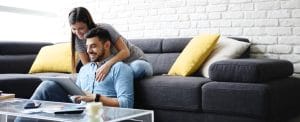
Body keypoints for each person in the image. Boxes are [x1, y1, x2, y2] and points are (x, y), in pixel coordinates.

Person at [29, 27, 134, 108]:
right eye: (87, 47)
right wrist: (73, 98)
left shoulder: (120, 68)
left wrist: (96, 98)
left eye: (93, 46)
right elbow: (76, 96)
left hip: (101, 115)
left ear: (106, 45)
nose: (88, 51)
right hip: (78, 111)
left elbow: (127, 104)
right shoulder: (85, 69)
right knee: (47, 85)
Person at [69, 7, 153, 80]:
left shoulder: (105, 29)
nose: (77, 32)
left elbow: (125, 52)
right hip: (115, 69)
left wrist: (106, 66)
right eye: (74, 29)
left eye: (81, 28)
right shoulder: (78, 40)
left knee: (137, 68)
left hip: (134, 62)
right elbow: (88, 67)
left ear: (88, 23)